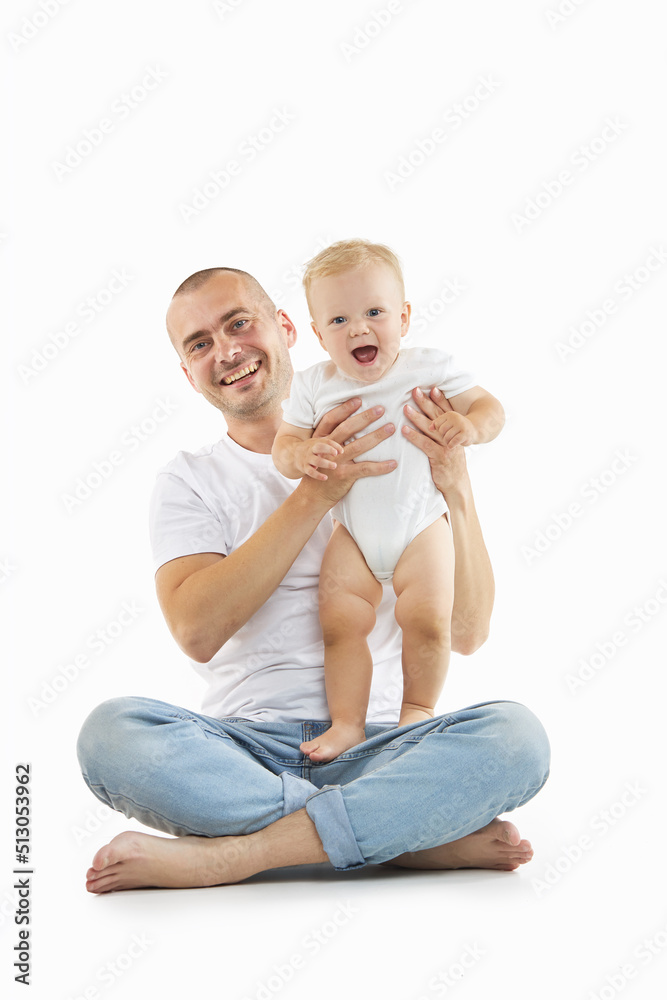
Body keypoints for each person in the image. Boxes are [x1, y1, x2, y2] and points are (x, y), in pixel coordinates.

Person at [76, 266, 549, 893]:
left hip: (388, 747)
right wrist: (316, 492)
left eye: (238, 323)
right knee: (111, 736)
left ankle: (242, 854)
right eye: (199, 344)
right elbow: (196, 631)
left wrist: (455, 486)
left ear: (287, 327)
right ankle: (399, 837)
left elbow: (465, 634)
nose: (226, 351)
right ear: (187, 374)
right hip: (245, 751)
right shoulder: (189, 479)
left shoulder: (400, 446)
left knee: (518, 740)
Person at [273, 239, 505, 761]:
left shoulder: (430, 367)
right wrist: (302, 453)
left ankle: (417, 714)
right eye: (338, 320)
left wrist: (469, 424)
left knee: (427, 619)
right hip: (352, 534)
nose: (358, 328)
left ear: (403, 317)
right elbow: (283, 448)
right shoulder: (313, 385)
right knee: (339, 623)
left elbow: (491, 407)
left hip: (421, 524)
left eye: (374, 312)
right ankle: (348, 723)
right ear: (318, 334)